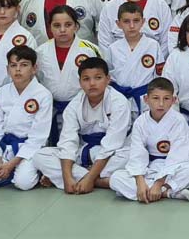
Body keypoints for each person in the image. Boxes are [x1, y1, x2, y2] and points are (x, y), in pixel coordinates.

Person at [33, 57, 131, 193]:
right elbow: (68, 142)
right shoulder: (74, 105)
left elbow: (112, 145)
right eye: (86, 79)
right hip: (84, 152)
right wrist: (67, 178)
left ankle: (84, 177)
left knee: (130, 156)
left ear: (108, 79)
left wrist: (89, 179)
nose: (92, 83)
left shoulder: (119, 102)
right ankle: (101, 181)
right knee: (40, 156)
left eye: (98, 78)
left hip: (113, 154)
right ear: (80, 82)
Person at [0, 45, 52, 190]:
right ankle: (8, 171)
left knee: (24, 183)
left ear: (34, 68)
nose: (18, 70)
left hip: (29, 148)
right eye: (13, 65)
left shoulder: (43, 95)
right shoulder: (0, 93)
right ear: (7, 69)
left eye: (24, 65)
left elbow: (38, 137)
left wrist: (10, 165)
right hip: (3, 146)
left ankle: (34, 170)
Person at [108, 77, 189, 202]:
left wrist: (158, 184)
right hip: (149, 167)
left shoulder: (178, 121)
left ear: (173, 100)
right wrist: (140, 182)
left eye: (166, 99)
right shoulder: (140, 122)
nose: (161, 104)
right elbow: (137, 154)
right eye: (155, 98)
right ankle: (168, 193)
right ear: (146, 99)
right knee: (116, 178)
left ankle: (152, 192)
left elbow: (178, 156)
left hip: (172, 168)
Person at [35, 6, 101, 140]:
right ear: (50, 27)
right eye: (57, 25)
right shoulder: (41, 52)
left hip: (81, 108)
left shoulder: (90, 49)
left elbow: (102, 80)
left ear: (76, 26)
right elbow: (36, 81)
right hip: (50, 110)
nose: (62, 30)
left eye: (68, 25)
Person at [104, 2, 165, 120]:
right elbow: (109, 78)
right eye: (126, 21)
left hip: (145, 100)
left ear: (143, 22)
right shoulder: (113, 48)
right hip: (120, 100)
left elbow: (159, 76)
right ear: (118, 24)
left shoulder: (153, 45)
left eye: (136, 21)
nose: (132, 26)